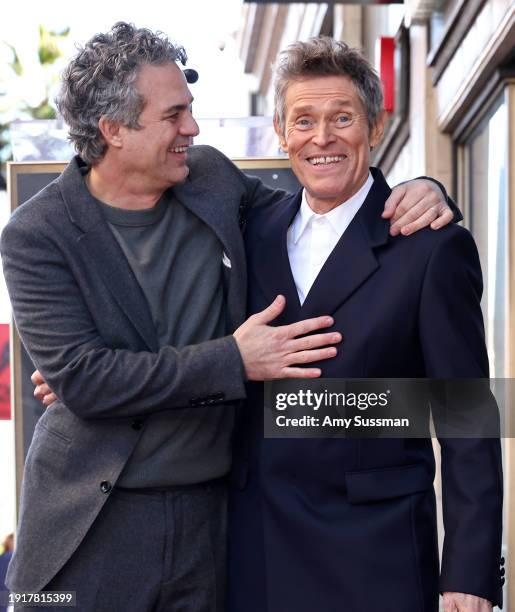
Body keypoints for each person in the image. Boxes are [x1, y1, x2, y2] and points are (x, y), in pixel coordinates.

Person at [3, 23, 456, 612]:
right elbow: (87, 381)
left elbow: (323, 214)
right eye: (173, 116)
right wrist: (234, 361)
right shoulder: (35, 235)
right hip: (88, 525)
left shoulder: (212, 180)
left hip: (212, 524)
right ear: (113, 130)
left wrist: (424, 191)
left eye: (189, 110)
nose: (192, 128)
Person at [228, 37, 504, 612]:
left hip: (375, 558)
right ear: (281, 133)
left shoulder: (431, 248)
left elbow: (466, 416)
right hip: (255, 555)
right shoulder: (250, 232)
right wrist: (88, 374)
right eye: (303, 120)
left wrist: (470, 572)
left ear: (375, 127)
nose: (321, 138)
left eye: (342, 118)